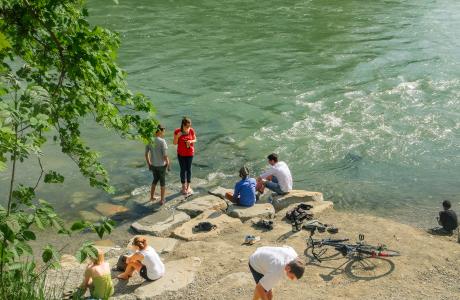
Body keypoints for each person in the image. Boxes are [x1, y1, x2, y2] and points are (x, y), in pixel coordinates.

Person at [145, 124, 170, 204]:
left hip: (153, 165)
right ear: (160, 131)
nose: (163, 134)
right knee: (162, 182)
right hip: (161, 165)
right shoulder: (162, 141)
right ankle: (162, 200)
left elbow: (146, 154)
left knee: (155, 180)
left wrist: (149, 164)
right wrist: (168, 164)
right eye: (163, 132)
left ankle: (152, 197)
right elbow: (165, 155)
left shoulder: (150, 140)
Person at [173, 117, 196, 195]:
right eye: (187, 126)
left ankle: (188, 186)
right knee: (183, 170)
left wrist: (191, 141)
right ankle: (183, 186)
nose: (188, 128)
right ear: (183, 125)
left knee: (188, 169)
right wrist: (177, 136)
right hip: (181, 154)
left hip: (190, 153)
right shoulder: (177, 131)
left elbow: (195, 139)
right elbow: (174, 143)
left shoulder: (191, 130)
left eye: (189, 126)